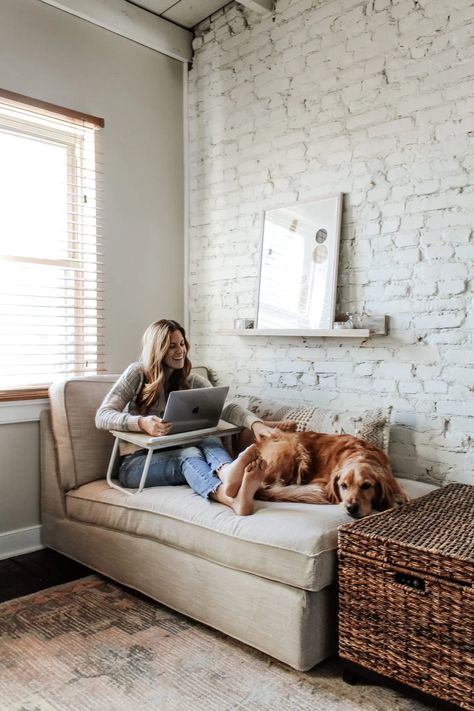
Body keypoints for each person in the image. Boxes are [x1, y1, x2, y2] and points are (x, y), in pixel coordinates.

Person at [95, 319, 275, 515]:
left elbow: (226, 407)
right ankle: (231, 499)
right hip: (136, 465)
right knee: (189, 455)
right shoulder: (137, 373)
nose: (180, 350)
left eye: (182, 344)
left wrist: (255, 424)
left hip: (174, 450)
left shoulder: (190, 379)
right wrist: (141, 422)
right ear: (157, 349)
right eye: (172, 346)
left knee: (208, 436)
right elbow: (102, 415)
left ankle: (226, 471)